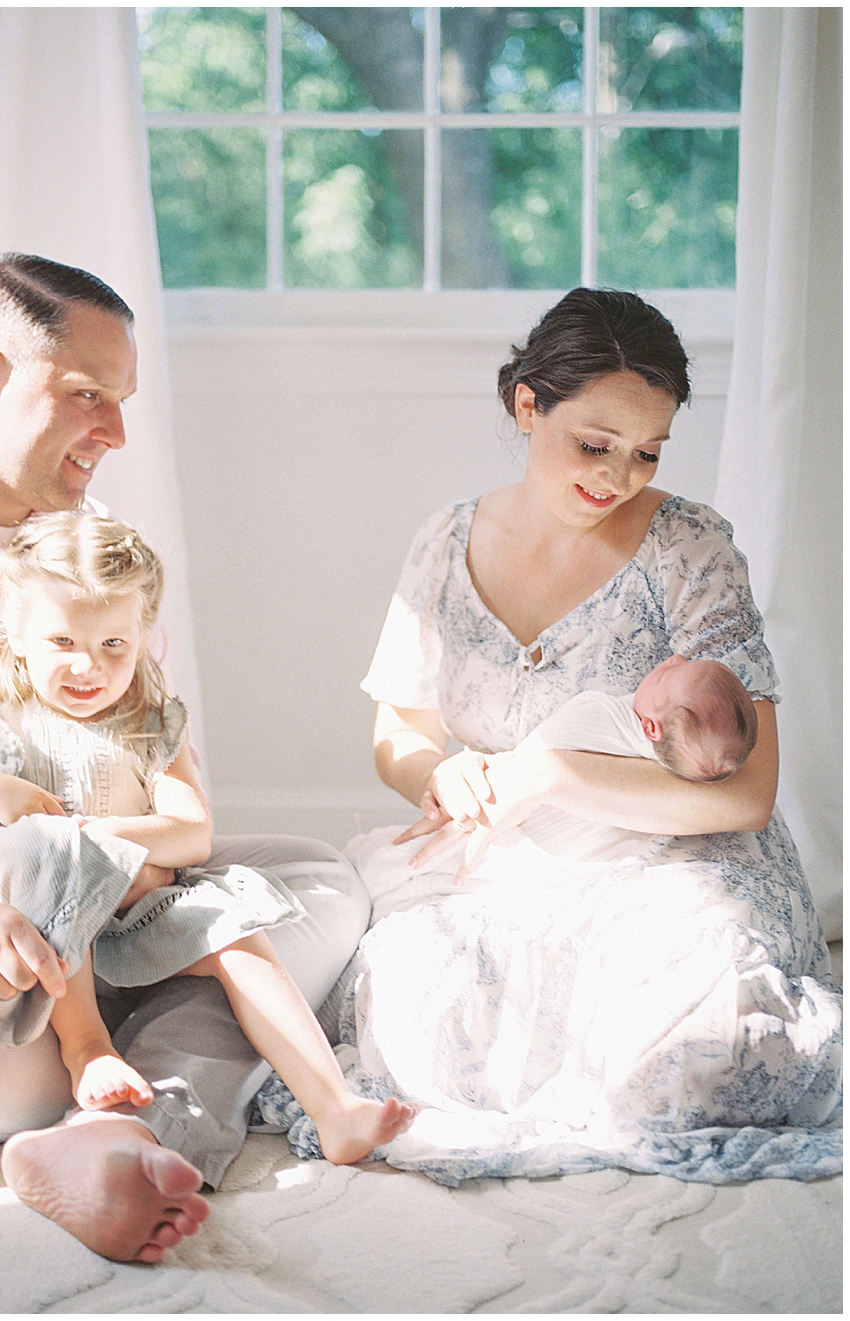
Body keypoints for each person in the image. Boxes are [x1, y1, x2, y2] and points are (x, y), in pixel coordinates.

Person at [0, 253, 370, 1263]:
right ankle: (131, 1065)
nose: (117, 433)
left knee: (322, 883)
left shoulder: (92, 558)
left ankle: (117, 1122)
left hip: (102, 906)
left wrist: (134, 853)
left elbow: (154, 768)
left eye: (124, 401)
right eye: (88, 395)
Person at [343, 288, 840, 1183]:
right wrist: (442, 773)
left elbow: (746, 792)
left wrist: (556, 774)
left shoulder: (692, 550)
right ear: (528, 404)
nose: (617, 477)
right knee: (414, 991)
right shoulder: (442, 544)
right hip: (511, 861)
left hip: (680, 859)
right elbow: (397, 731)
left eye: (646, 452)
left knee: (712, 1021)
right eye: (594, 444)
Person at [0, 511, 416, 1163]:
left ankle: (333, 1105)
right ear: (18, 632)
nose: (89, 665)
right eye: (63, 641)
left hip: (126, 921)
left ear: (143, 635)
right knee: (58, 853)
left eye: (114, 644)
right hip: (32, 924)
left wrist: (105, 846)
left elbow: (191, 834)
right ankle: (88, 1047)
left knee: (236, 924)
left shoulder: (148, 720)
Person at [348, 653, 759, 925]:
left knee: (407, 865)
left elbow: (530, 764)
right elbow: (401, 735)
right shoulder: (682, 766)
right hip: (529, 847)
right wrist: (441, 777)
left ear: (651, 728)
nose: (672, 658)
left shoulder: (599, 714)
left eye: (670, 673)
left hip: (533, 848)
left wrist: (519, 778)